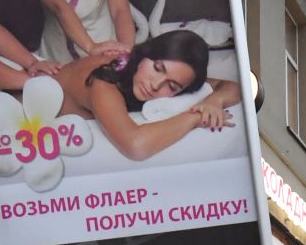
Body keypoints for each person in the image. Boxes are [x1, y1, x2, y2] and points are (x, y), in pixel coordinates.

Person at [51, 30, 241, 161]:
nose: (156, 85)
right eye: (158, 68)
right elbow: (136, 146)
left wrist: (215, 101)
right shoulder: (103, 81)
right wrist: (196, 116)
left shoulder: (145, 73)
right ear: (145, 53)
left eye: (172, 86)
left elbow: (235, 87)